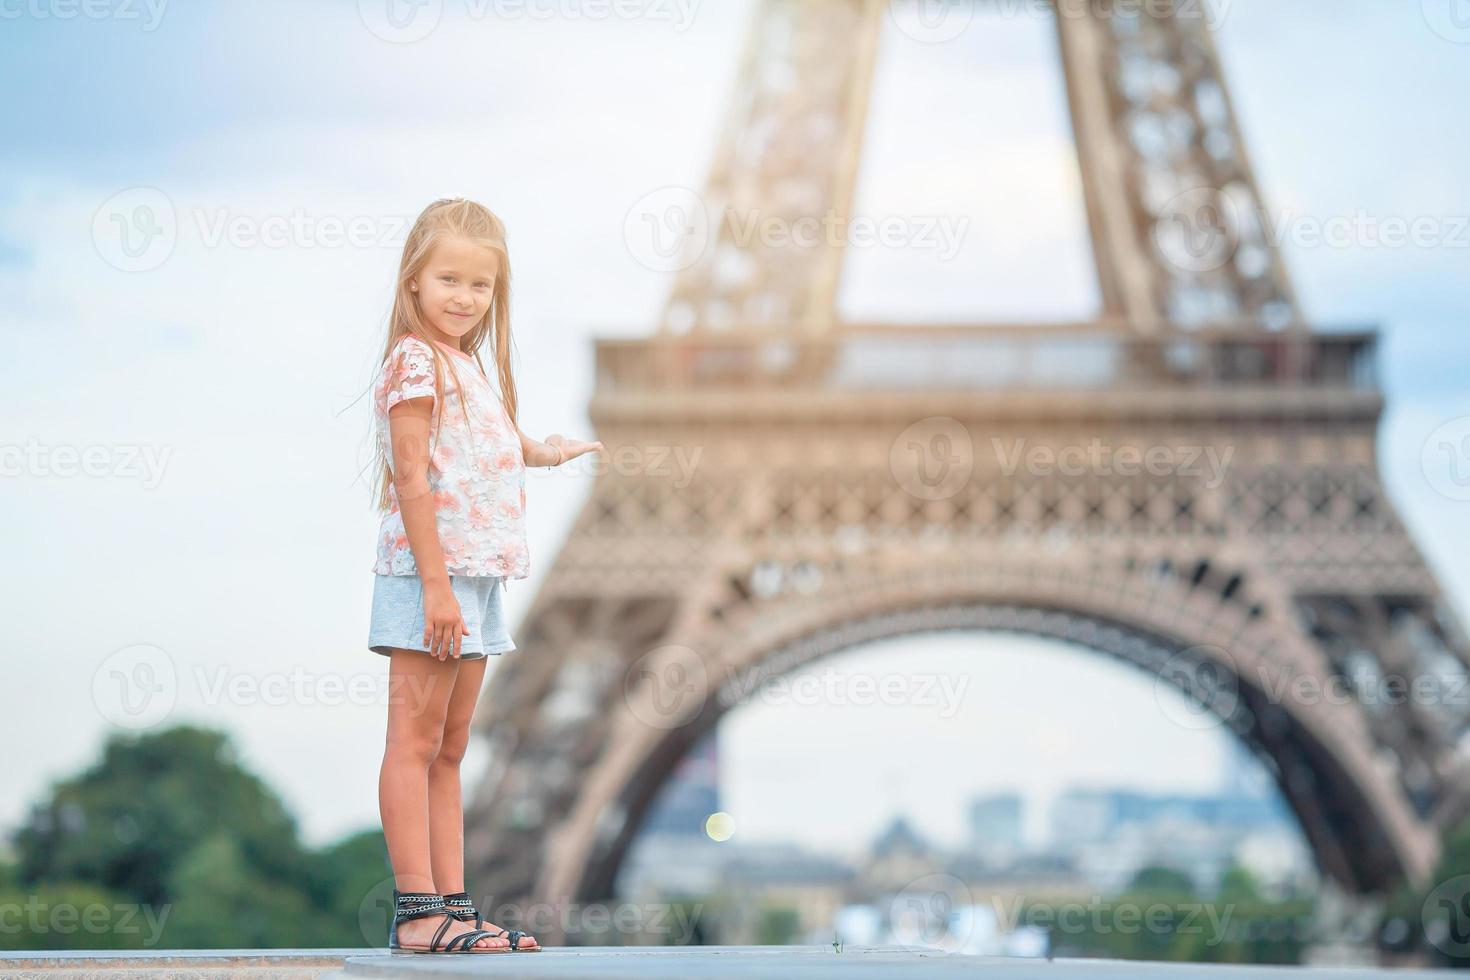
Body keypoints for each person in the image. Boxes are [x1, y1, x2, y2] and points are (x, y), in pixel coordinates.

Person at [365, 197, 602, 953]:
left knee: (452, 748)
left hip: (478, 577)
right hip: (430, 576)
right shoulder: (413, 359)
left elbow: (478, 447)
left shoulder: (468, 365)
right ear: (413, 283)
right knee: (413, 741)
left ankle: (454, 907)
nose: (464, 298)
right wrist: (435, 586)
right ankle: (418, 913)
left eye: (480, 286)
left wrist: (542, 449)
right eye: (449, 280)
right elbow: (411, 476)